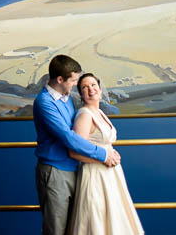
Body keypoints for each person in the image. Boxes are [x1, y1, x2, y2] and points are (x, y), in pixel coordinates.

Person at [33, 55, 121, 235]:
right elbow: (68, 138)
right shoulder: (44, 103)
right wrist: (103, 154)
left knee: (75, 228)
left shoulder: (67, 99)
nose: (75, 84)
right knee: (56, 229)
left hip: (76, 171)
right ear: (60, 79)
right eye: (73, 80)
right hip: (55, 172)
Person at [68, 73, 144, 234]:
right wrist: (103, 158)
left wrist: (111, 153)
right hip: (95, 176)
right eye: (84, 87)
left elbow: (101, 142)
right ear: (81, 94)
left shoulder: (99, 112)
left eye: (93, 85)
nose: (90, 89)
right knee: (97, 220)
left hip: (111, 176)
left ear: (100, 89)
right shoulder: (84, 116)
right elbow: (74, 152)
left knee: (114, 220)